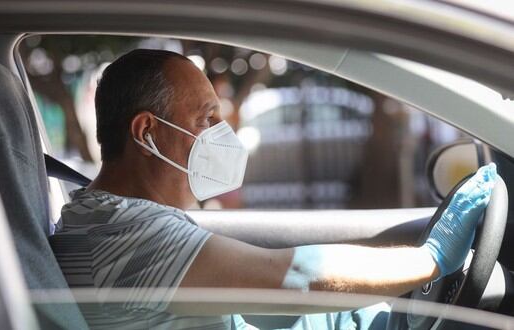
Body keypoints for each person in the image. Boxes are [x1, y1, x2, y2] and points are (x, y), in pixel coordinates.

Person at [49, 49, 498, 330]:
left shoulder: (103, 217)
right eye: (206, 119)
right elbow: (299, 276)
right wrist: (430, 258)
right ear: (147, 133)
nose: (222, 133)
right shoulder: (126, 235)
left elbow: (260, 295)